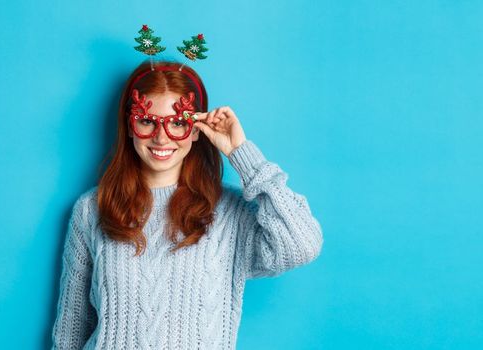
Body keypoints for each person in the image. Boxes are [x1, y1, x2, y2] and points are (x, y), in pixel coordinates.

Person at [50, 60, 323, 349]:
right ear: (130, 125)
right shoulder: (91, 209)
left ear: (196, 130)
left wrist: (241, 153)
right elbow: (72, 327)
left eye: (178, 123)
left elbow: (301, 244)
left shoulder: (230, 213)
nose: (161, 136)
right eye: (147, 121)